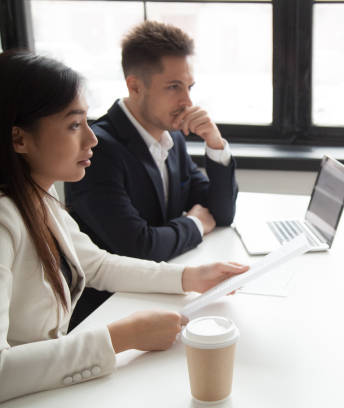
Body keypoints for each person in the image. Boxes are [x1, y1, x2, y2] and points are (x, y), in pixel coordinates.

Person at [0, 50, 248, 402]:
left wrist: (189, 278)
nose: (91, 139)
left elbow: (98, 264)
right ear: (18, 139)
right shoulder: (4, 220)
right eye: (74, 125)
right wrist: (121, 337)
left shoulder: (38, 198)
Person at [64, 21, 238, 327]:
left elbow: (221, 213)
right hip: (108, 312)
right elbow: (138, 248)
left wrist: (215, 143)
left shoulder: (173, 137)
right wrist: (195, 224)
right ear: (134, 86)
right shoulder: (99, 149)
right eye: (173, 87)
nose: (187, 101)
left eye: (189, 87)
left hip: (159, 291)